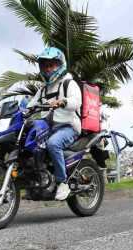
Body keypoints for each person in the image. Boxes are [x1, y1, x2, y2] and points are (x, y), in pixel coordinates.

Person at [27, 46, 82, 200]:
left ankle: (62, 183)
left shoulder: (69, 83)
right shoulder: (43, 90)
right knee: (30, 145)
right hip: (47, 128)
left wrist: (63, 102)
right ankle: (39, 181)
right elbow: (30, 106)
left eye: (51, 65)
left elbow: (76, 101)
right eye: (45, 66)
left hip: (68, 127)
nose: (48, 69)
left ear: (59, 65)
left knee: (53, 144)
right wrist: (11, 113)